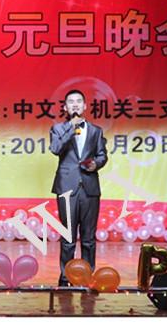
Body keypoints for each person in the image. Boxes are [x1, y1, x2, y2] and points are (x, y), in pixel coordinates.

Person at [49, 90, 108, 286]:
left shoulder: (96, 131)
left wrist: (96, 164)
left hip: (89, 187)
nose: (75, 104)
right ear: (65, 107)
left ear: (85, 106)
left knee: (89, 238)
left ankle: (87, 275)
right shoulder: (58, 129)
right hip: (67, 187)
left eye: (79, 101)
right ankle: (66, 277)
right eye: (71, 102)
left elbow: (102, 155)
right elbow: (56, 149)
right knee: (68, 237)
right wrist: (71, 128)